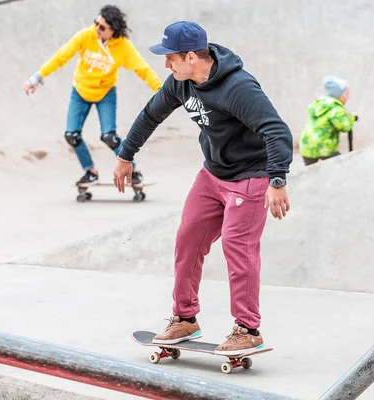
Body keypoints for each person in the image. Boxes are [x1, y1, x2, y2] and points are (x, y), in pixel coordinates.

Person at [113, 21, 293, 355]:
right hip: (212, 175)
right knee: (188, 240)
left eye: (171, 58)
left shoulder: (238, 87)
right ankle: (184, 319)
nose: (166, 64)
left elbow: (277, 131)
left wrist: (277, 180)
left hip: (250, 178)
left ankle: (248, 329)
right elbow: (150, 114)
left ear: (192, 57)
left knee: (237, 249)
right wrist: (126, 155)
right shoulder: (180, 84)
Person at [23, 5, 162, 186]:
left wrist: (162, 92)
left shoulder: (123, 47)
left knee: (109, 137)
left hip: (105, 94)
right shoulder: (86, 36)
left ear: (114, 30)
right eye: (96, 23)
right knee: (72, 135)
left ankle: (133, 170)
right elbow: (61, 56)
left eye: (102, 27)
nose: (97, 29)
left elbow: (142, 69)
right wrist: (36, 78)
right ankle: (90, 171)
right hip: (80, 91)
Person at [299, 76, 357, 166]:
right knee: (341, 165)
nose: (348, 97)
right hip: (323, 148)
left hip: (306, 146)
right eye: (346, 94)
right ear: (338, 95)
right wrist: (351, 117)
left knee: (310, 172)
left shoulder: (320, 104)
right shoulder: (335, 108)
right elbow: (344, 126)